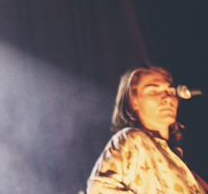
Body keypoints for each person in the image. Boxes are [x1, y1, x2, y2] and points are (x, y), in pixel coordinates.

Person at [87, 65, 207, 194]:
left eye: (171, 92)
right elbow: (99, 191)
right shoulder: (133, 139)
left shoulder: (179, 156)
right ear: (133, 101)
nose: (167, 98)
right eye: (154, 91)